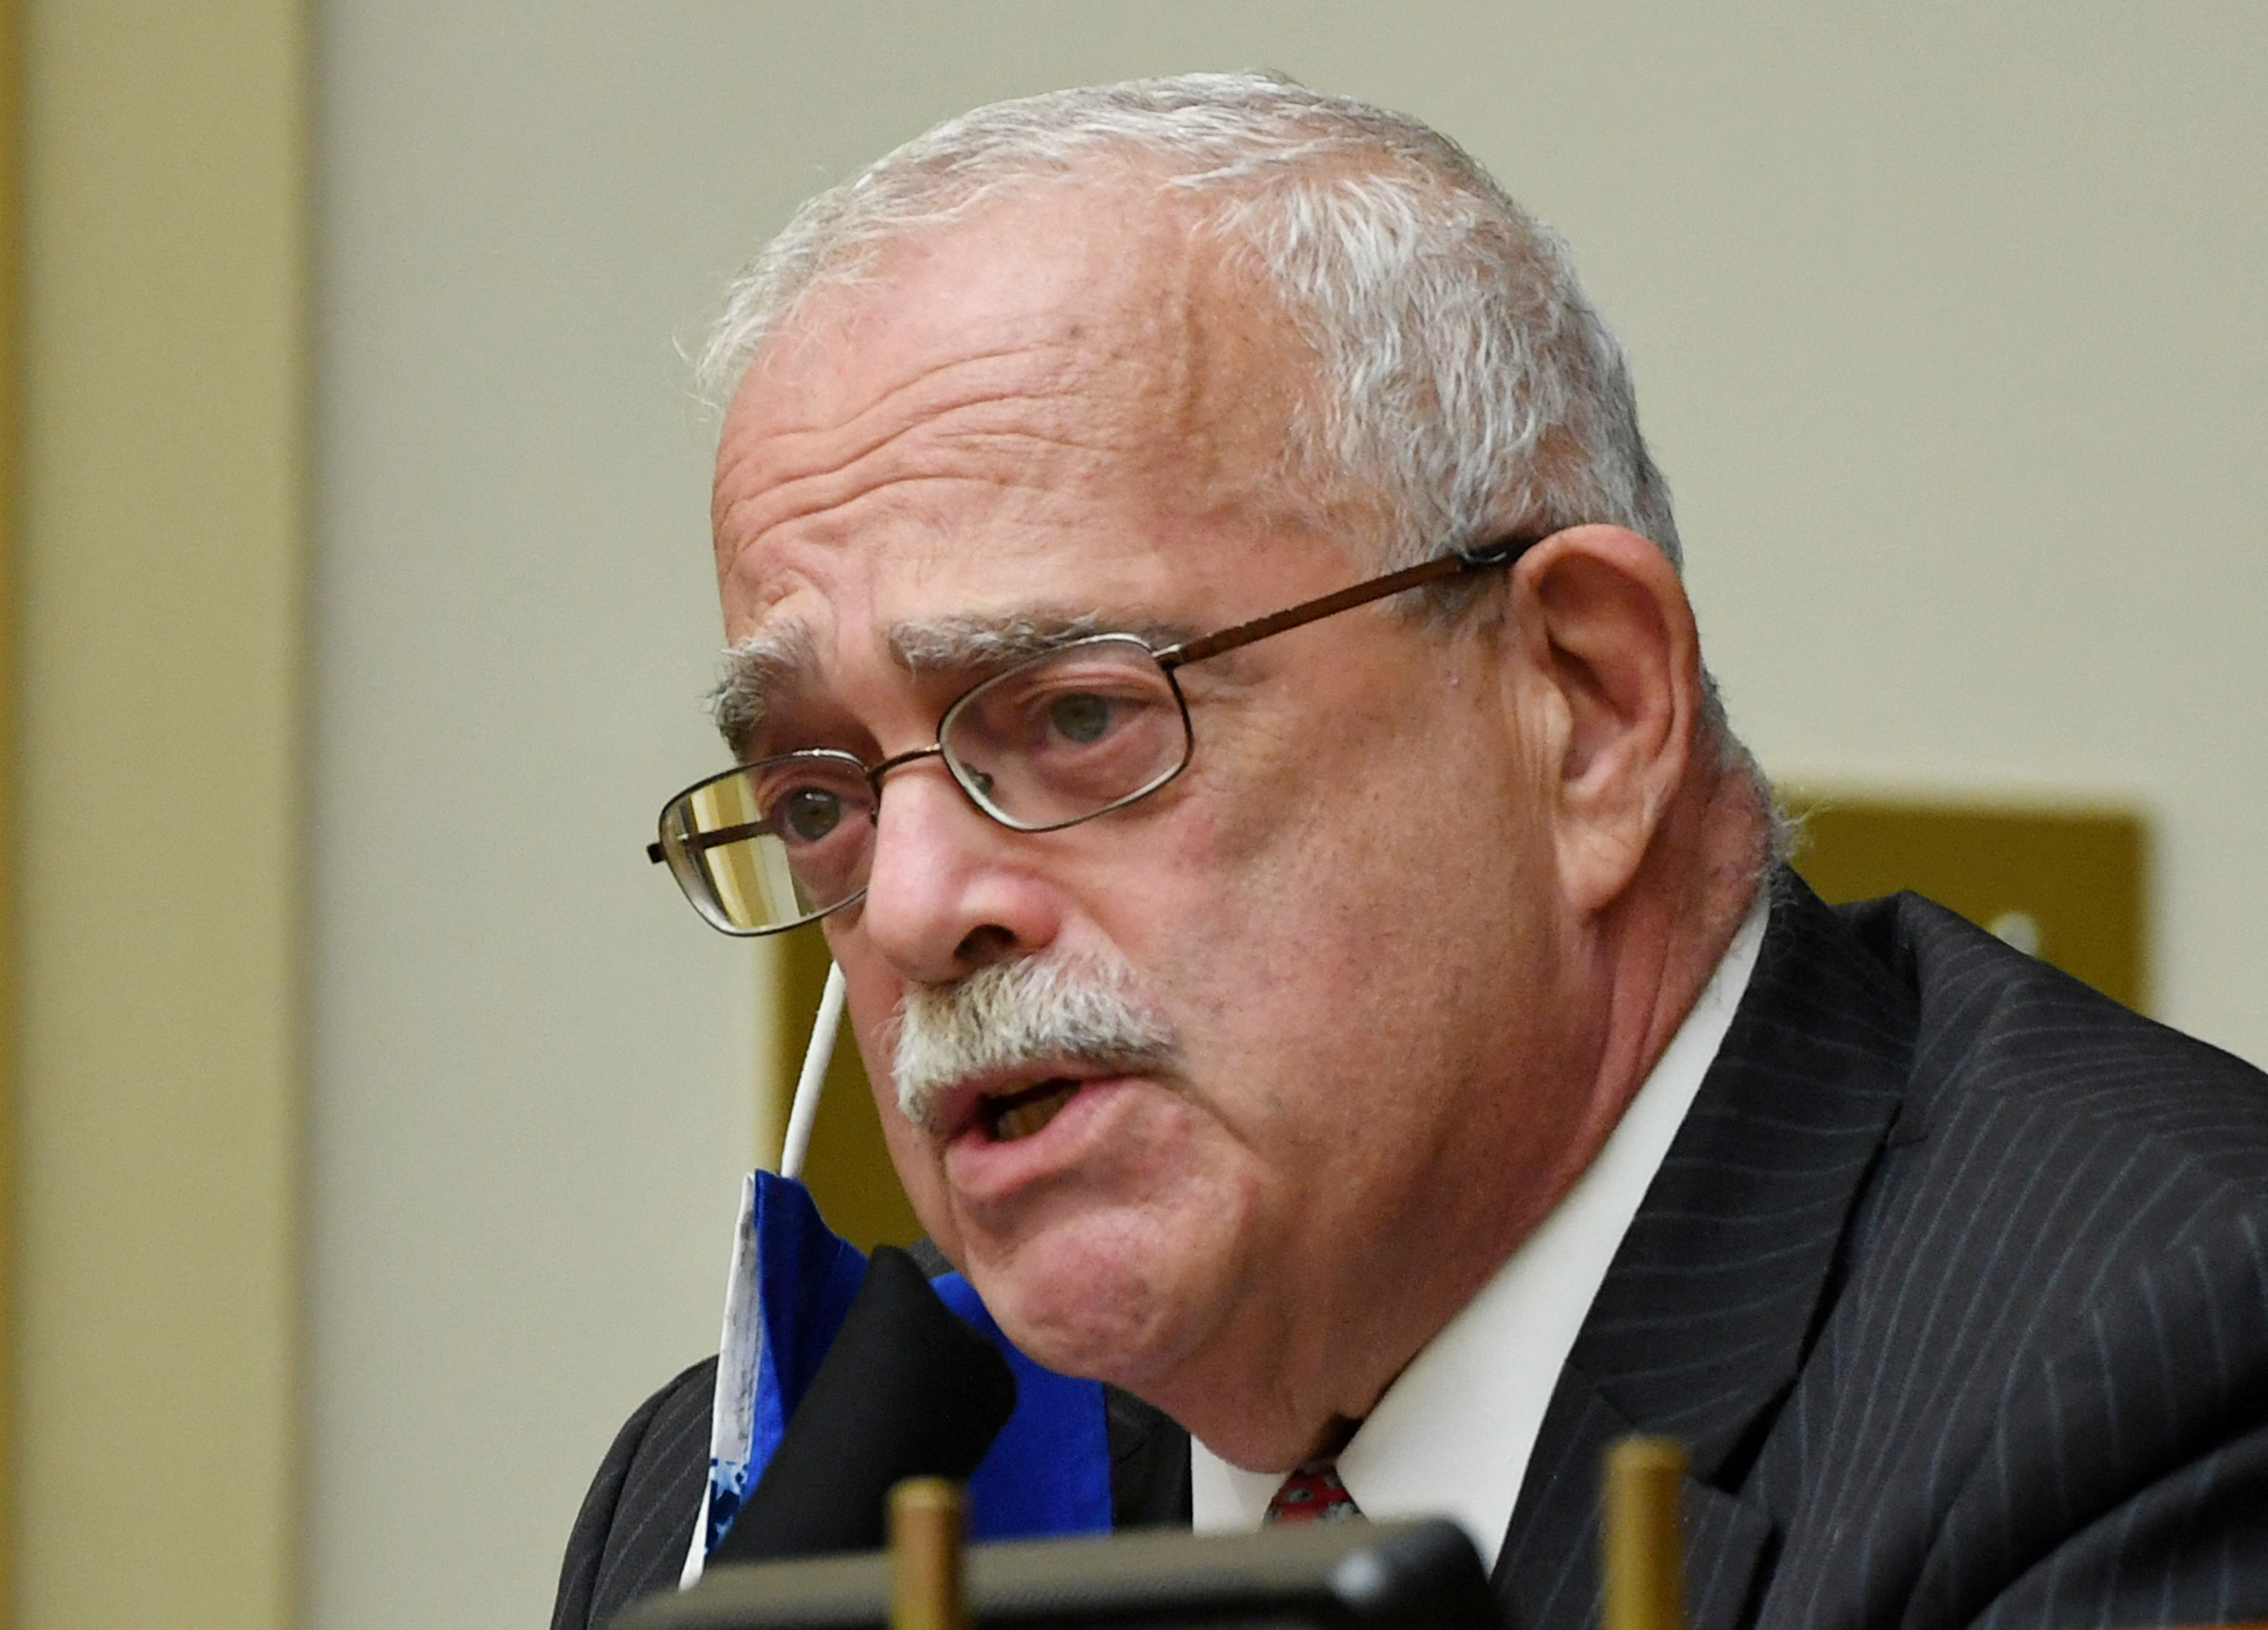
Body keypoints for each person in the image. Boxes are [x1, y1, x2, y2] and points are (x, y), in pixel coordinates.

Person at [555, 73, 2268, 1630]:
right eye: (818, 798)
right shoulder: (776, 1513)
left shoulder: (2160, 1362)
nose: (918, 907)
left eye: (1075, 716)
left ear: (1586, 710)